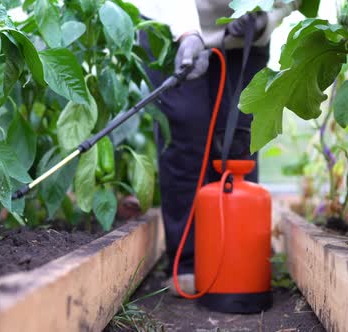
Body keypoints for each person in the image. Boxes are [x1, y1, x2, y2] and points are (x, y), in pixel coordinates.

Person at [128, 0, 301, 295]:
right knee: (185, 128)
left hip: (245, 31)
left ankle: (235, 261)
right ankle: (187, 262)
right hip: (170, 21)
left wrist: (268, 18)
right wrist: (187, 33)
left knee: (237, 144)